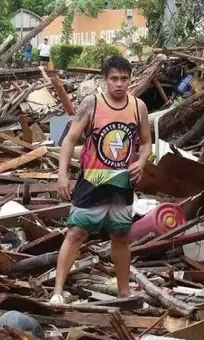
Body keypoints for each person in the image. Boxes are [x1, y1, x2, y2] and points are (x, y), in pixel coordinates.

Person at [52, 55, 151, 304]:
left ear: (130, 79)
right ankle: (57, 291)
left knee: (120, 237)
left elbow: (146, 142)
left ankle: (123, 292)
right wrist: (62, 174)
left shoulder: (138, 107)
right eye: (114, 78)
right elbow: (70, 139)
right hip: (92, 181)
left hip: (122, 182)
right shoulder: (91, 104)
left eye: (124, 78)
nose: (119, 84)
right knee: (75, 233)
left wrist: (141, 161)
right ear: (105, 79)